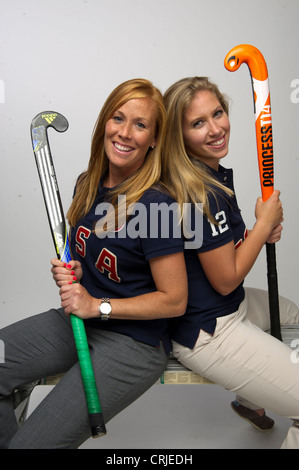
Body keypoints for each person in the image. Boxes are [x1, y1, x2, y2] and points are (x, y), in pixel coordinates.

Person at [0, 78, 188, 449]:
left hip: (133, 341)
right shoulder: (88, 184)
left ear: (154, 139)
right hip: (80, 322)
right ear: (105, 122)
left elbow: (174, 300)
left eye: (141, 124)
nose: (125, 132)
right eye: (118, 118)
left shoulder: (157, 205)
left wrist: (97, 305)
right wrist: (76, 272)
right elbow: (90, 264)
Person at [162, 76, 299, 448]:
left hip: (228, 306)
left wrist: (256, 234)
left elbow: (226, 252)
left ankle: (254, 397)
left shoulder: (209, 172)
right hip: (210, 332)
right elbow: (226, 277)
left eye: (217, 113)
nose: (215, 128)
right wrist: (263, 225)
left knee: (292, 315)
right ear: (179, 135)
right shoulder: (197, 190)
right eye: (197, 123)